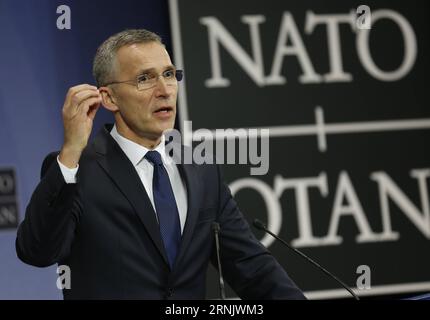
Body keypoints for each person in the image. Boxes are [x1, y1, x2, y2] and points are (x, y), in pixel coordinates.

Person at [16, 29, 306, 300]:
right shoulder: (78, 170)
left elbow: (251, 268)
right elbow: (37, 251)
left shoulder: (201, 170)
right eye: (144, 79)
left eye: (169, 74)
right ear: (109, 97)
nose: (165, 90)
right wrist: (70, 153)